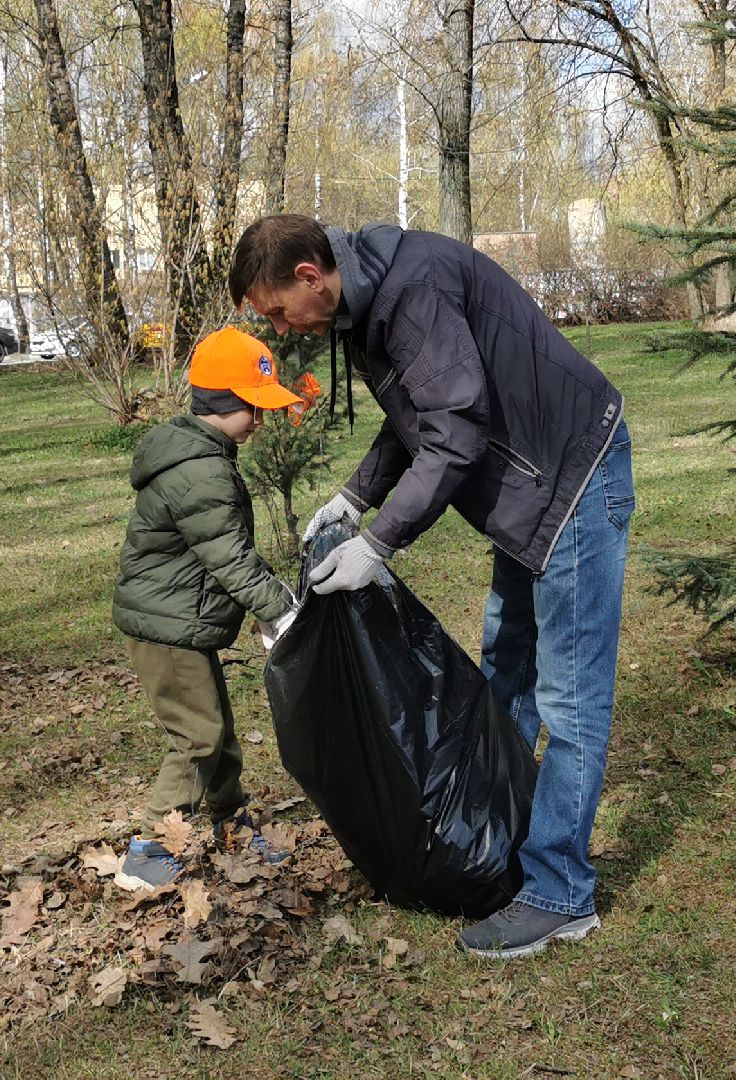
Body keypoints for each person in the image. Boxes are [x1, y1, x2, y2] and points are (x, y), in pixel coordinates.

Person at [231, 214, 634, 960]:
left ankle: (559, 892)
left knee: (570, 699)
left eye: (279, 311)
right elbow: (411, 415)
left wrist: (379, 541)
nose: (281, 329)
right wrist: (355, 497)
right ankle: (496, 843)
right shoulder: (364, 306)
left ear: (310, 276)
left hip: (571, 476)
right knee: (505, 664)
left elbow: (455, 425)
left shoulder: (412, 291)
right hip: (527, 488)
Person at [109, 326, 303, 890]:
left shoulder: (204, 455)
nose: (260, 421)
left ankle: (229, 821)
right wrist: (281, 610)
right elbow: (230, 559)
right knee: (198, 736)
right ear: (221, 403)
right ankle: (148, 848)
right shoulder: (201, 472)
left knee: (218, 729)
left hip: (179, 623)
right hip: (165, 628)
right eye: (253, 408)